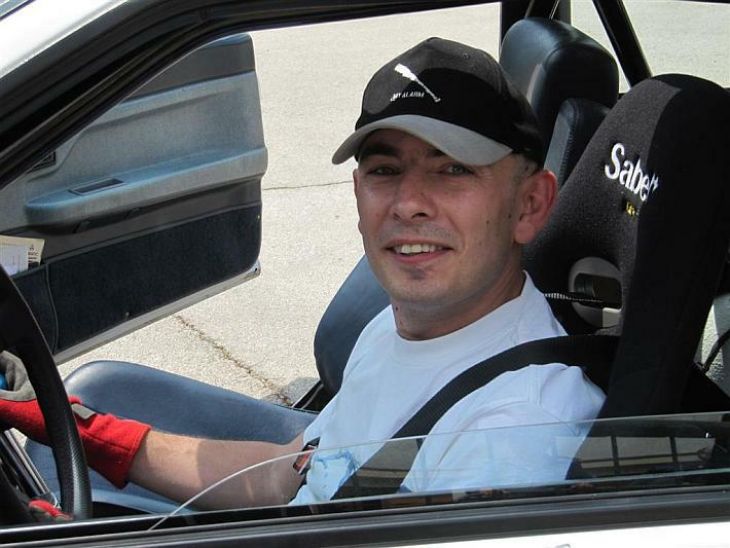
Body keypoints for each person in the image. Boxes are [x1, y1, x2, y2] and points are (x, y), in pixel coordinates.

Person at [0, 37, 604, 510]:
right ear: (357, 192)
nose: (408, 202)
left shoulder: (514, 432)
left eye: (453, 171)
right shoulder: (402, 328)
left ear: (530, 205)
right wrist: (95, 435)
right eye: (385, 170)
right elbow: (287, 477)